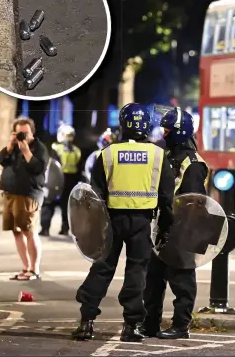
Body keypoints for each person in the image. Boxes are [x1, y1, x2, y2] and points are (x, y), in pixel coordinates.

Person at [72, 103, 175, 343]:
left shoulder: (107, 153)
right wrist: (166, 227)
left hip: (111, 221)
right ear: (147, 125)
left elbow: (93, 194)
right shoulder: (158, 154)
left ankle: (86, 322)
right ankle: (131, 327)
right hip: (142, 222)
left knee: (102, 269)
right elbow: (167, 198)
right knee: (136, 272)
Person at [141, 108, 209, 340]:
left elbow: (192, 202)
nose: (163, 134)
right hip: (161, 227)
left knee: (182, 281)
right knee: (153, 279)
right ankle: (149, 324)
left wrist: (179, 230)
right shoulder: (166, 157)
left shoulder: (193, 164)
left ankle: (181, 326)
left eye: (167, 130)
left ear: (179, 132)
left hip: (183, 230)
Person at [0, 117, 49, 281]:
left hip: (28, 194)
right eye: (19, 133)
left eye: (25, 133)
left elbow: (38, 168)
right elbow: (1, 160)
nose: (22, 136)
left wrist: (26, 151)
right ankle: (26, 267)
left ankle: (34, 269)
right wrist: (10, 145)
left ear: (32, 132)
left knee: (29, 231)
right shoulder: (13, 147)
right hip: (10, 193)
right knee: (16, 231)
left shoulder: (39, 147)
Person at [40, 125, 82, 236]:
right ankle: (64, 228)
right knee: (65, 205)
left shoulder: (55, 148)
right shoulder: (77, 150)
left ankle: (46, 228)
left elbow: (52, 166)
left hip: (58, 180)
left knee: (51, 203)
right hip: (68, 180)